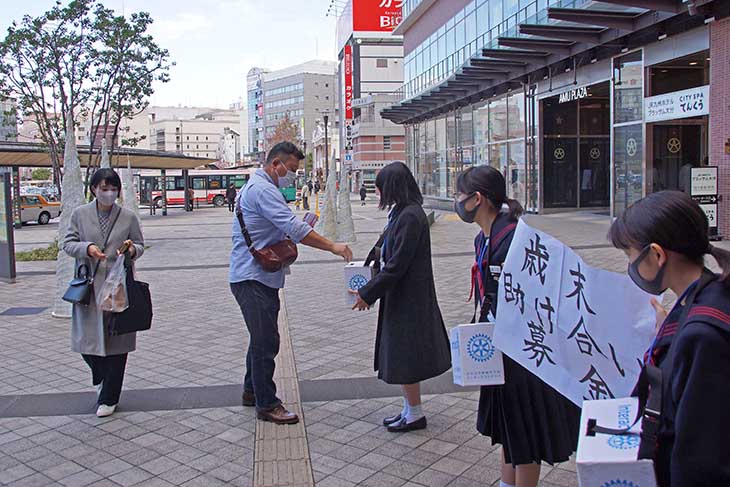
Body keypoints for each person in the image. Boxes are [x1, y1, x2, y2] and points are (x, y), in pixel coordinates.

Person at [454, 166, 580, 487]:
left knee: (525, 435)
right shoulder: (486, 237)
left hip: (525, 354)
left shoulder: (514, 239)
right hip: (505, 347)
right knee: (510, 428)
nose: (457, 201)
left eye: (459, 195)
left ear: (476, 199)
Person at [608, 190, 730, 487]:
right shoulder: (708, 293)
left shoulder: (702, 336)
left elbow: (699, 459)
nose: (630, 266)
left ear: (657, 254)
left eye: (630, 255)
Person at [230, 142, 353, 425]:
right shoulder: (262, 190)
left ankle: (252, 391)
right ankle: (267, 404)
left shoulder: (257, 187)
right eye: (292, 169)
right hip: (252, 277)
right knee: (266, 342)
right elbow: (295, 229)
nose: (293, 176)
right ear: (276, 164)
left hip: (254, 276)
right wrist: (332, 246)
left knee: (260, 339)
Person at [351, 162, 451, 433]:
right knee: (403, 355)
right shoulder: (402, 212)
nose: (378, 191)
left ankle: (415, 413)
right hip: (402, 296)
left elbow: (397, 265)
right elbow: (385, 252)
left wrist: (367, 293)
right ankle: (410, 410)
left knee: (406, 357)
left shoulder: (410, 216)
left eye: (381, 186)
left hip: (410, 299)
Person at [62, 168, 144, 418]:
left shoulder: (127, 217)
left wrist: (130, 251)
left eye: (113, 189)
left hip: (119, 286)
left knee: (118, 341)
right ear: (94, 189)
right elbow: (67, 243)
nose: (109, 193)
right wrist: (87, 248)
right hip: (90, 285)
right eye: (104, 188)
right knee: (87, 342)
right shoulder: (80, 215)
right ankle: (100, 373)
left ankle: (109, 396)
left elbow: (139, 244)